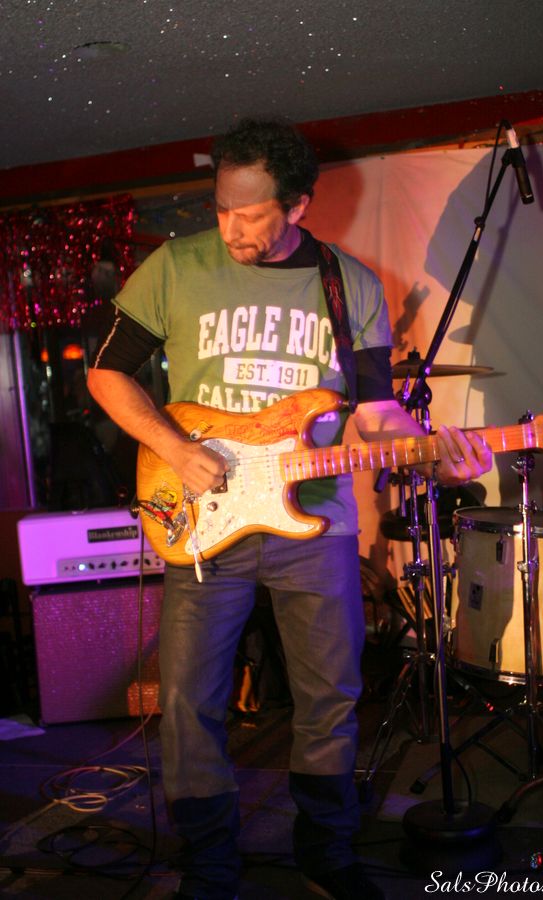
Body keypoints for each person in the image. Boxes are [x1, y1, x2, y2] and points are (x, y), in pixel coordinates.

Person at [87, 118, 491, 900]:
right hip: (202, 515)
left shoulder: (350, 284)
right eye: (221, 209)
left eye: (250, 214)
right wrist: (173, 448)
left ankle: (326, 854)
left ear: (299, 205)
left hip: (317, 524)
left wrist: (433, 450)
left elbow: (376, 415)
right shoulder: (176, 266)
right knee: (188, 699)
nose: (230, 229)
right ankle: (210, 866)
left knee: (330, 696)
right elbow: (106, 373)